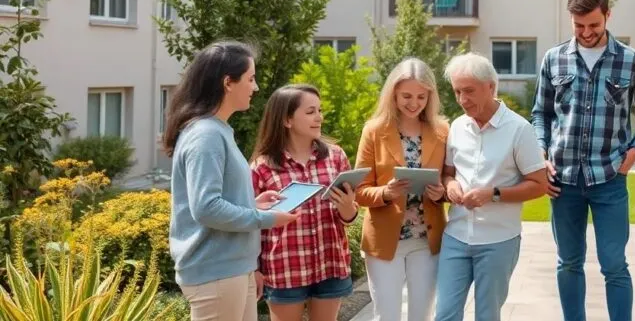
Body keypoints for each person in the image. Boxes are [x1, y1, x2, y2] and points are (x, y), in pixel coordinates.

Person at [532, 0, 635, 321]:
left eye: (593, 24)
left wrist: (634, 152)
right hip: (563, 180)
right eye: (578, 26)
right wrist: (541, 154)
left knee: (614, 264)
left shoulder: (632, 61)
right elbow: (540, 115)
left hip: (610, 179)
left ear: (608, 15)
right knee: (569, 262)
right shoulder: (553, 59)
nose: (586, 33)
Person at [166, 41, 299, 321]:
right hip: (217, 273)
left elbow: (217, 199)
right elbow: (207, 208)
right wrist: (265, 219)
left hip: (232, 269)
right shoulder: (207, 135)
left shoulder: (218, 130)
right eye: (250, 79)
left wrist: (253, 204)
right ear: (228, 82)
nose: (256, 87)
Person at [437, 52, 547, 321]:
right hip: (456, 236)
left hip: (498, 241)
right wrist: (449, 185)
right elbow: (448, 174)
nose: (463, 100)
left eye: (469, 91)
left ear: (491, 87)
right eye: (457, 92)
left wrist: (493, 194)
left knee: (487, 316)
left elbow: (539, 184)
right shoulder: (457, 127)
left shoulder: (519, 130)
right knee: (445, 315)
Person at [250, 84, 359, 321]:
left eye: (319, 111)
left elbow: (349, 216)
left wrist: (347, 208)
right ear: (287, 120)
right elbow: (251, 223)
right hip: (284, 268)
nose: (319, 117)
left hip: (329, 263)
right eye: (310, 112)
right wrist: (254, 269)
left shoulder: (336, 157)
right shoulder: (262, 167)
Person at [355, 58, 449, 321]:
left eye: (421, 96)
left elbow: (450, 181)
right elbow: (359, 190)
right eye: (406, 95)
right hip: (385, 241)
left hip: (426, 240)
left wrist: (439, 193)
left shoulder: (442, 130)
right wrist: (386, 192)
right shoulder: (374, 131)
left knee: (422, 315)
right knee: (387, 316)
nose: (414, 102)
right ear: (393, 93)